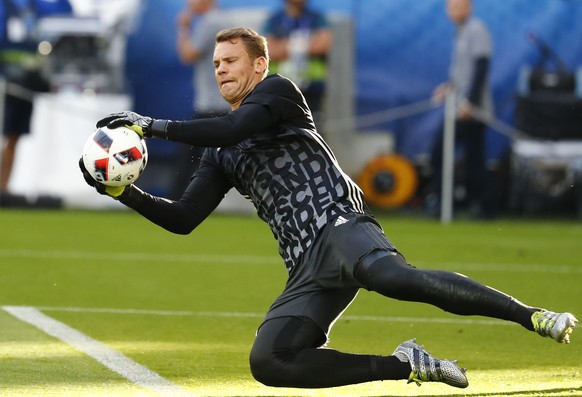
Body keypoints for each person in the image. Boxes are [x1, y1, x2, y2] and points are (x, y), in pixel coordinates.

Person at [80, 27, 577, 390]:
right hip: (305, 263)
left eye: (230, 60)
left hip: (338, 222)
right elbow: (183, 219)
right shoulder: (218, 153)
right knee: (270, 362)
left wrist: (151, 125)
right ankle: (405, 364)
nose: (221, 70)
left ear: (258, 65)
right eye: (215, 64)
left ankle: (532, 316)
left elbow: (234, 128)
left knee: (394, 279)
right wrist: (122, 192)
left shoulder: (277, 94)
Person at [428, 0, 494, 219]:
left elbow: (481, 68)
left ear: (469, 7)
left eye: (458, 6)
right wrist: (449, 87)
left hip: (471, 110)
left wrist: (471, 103)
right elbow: (462, 73)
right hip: (458, 106)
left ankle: (482, 205)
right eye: (451, 7)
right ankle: (448, 201)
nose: (454, 11)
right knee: (447, 154)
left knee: (470, 157)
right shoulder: (460, 32)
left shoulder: (477, 29)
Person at [0, 0, 72, 191]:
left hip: (24, 82)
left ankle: (3, 188)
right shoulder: (6, 6)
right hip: (7, 81)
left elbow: (63, 13)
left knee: (12, 136)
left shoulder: (33, 6)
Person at [172, 0, 232, 198]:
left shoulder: (211, 22)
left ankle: (175, 201)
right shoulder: (223, 19)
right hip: (222, 103)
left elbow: (188, 54)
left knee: (189, 158)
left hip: (211, 105)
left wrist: (183, 27)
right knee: (209, 159)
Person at [263, 0, 332, 126]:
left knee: (312, 130)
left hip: (311, 88)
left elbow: (322, 45)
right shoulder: (274, 20)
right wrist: (304, 44)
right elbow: (270, 50)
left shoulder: (317, 18)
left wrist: (285, 45)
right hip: (280, 89)